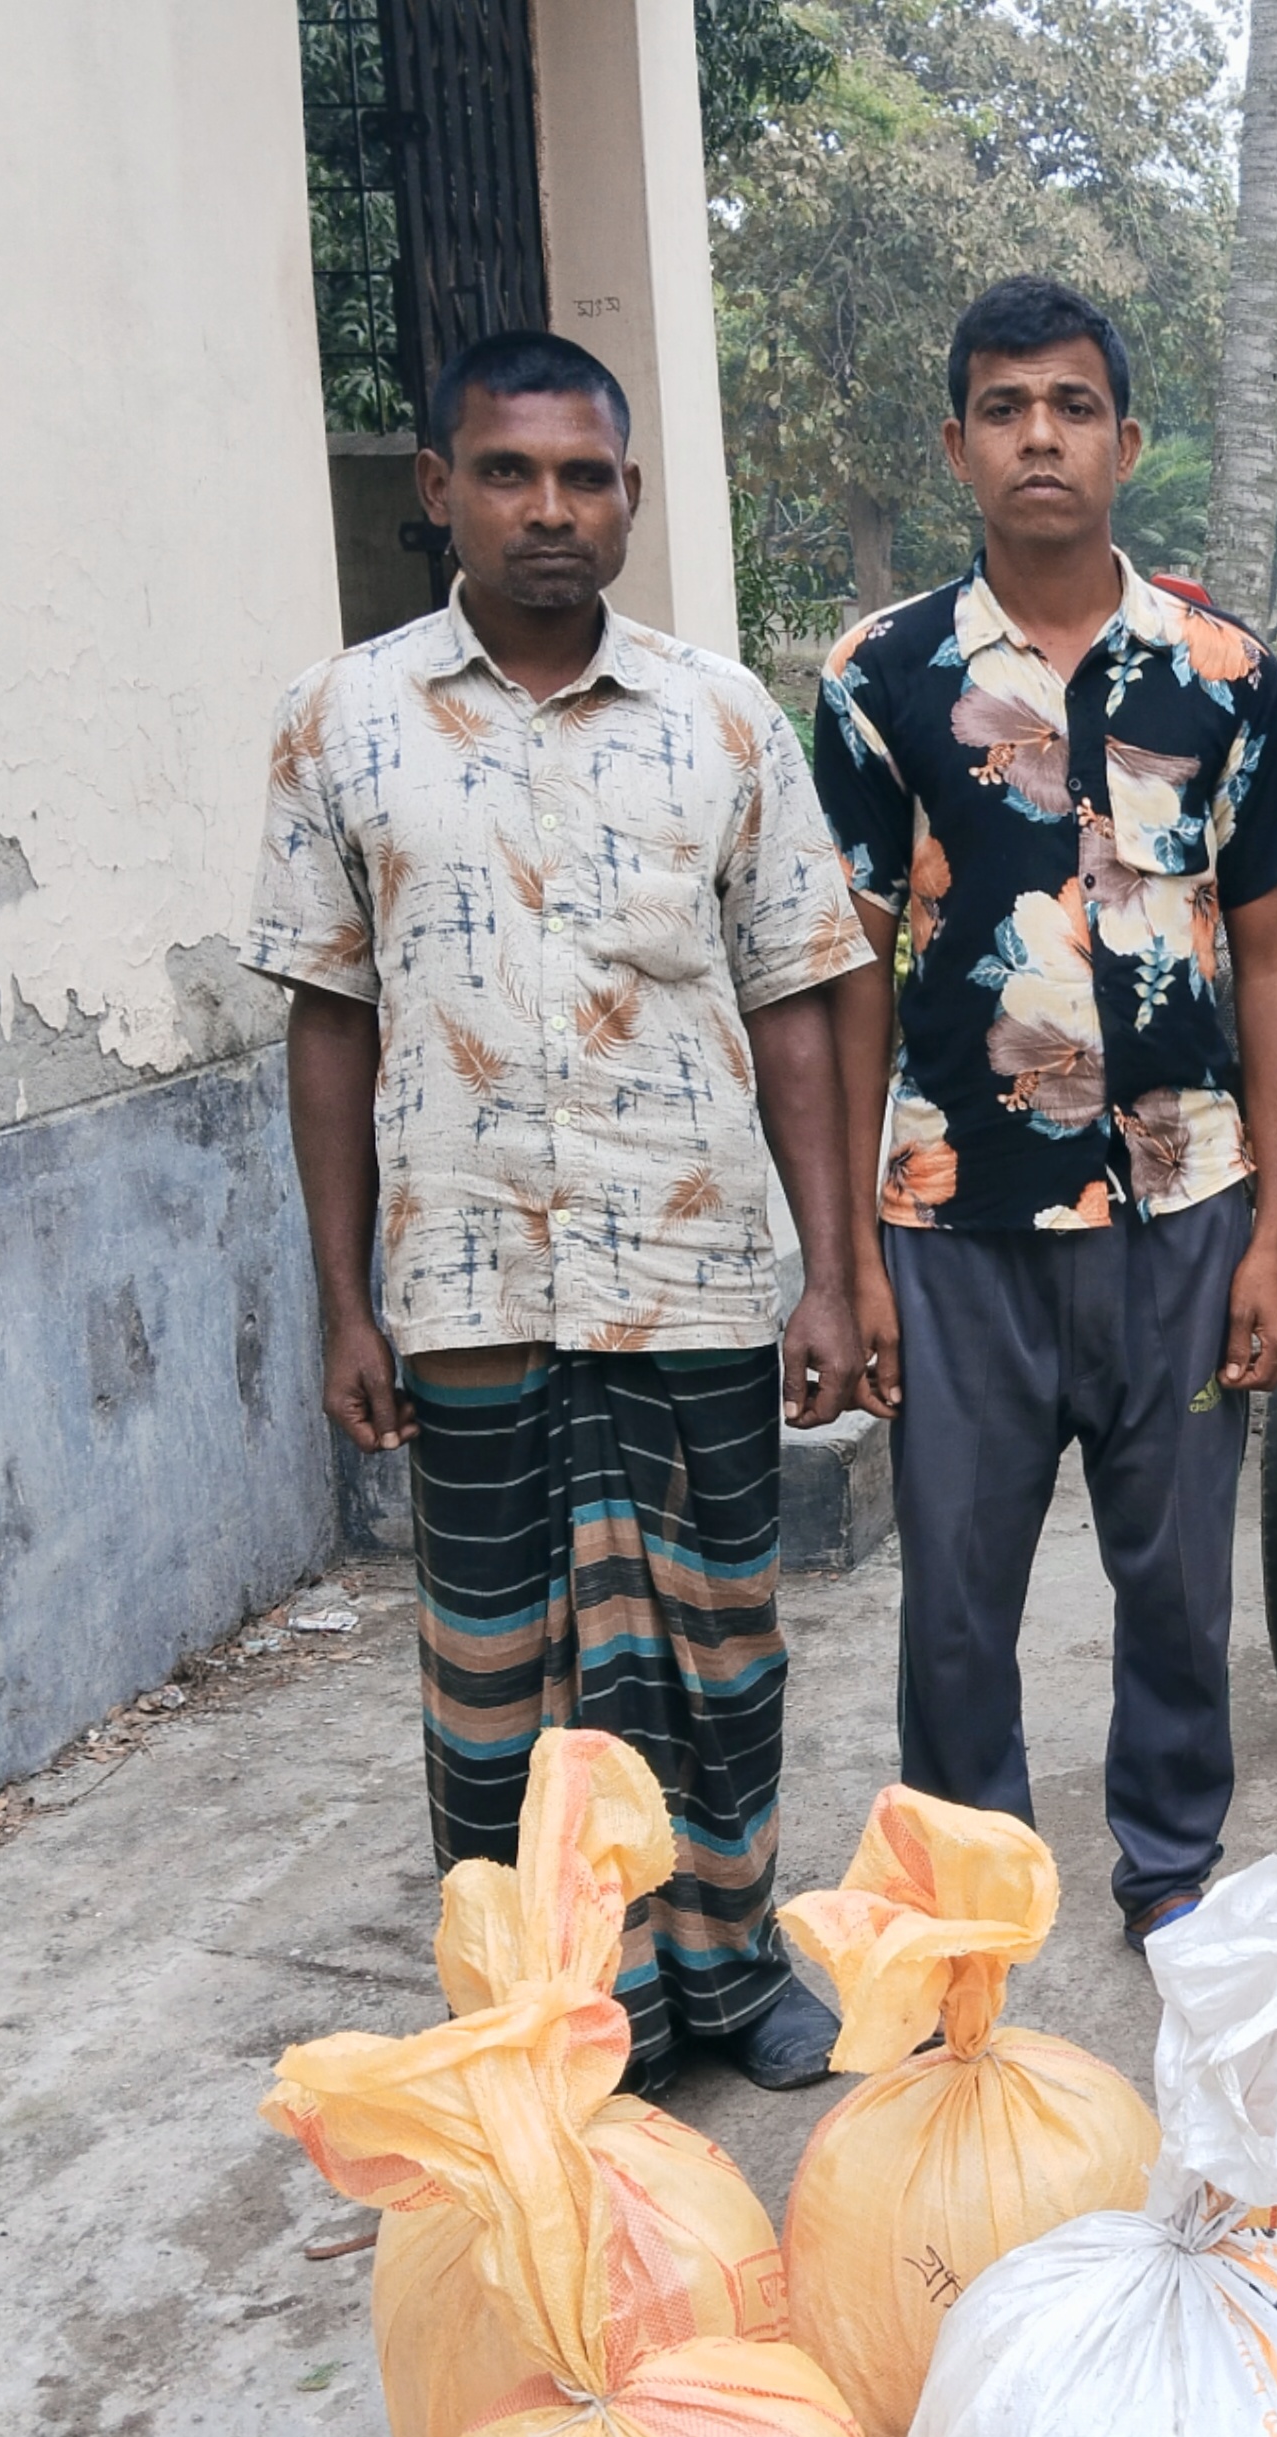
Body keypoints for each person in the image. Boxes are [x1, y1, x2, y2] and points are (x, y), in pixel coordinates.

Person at [250, 328, 870, 2091]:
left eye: (583, 476)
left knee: (716, 1650)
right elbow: (328, 1016)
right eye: (508, 472)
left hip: (687, 1268)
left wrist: (832, 1275)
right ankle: (536, 2000)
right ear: (438, 487)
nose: (548, 509)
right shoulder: (340, 719)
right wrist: (344, 1301)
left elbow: (797, 1000)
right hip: (465, 1278)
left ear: (630, 499)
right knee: (493, 1671)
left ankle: (730, 1972)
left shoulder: (722, 718)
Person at [810, 276, 1277, 1953]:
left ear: (1127, 440)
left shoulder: (1223, 674)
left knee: (1176, 1581)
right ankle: (972, 1892)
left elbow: (1270, 952)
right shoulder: (881, 675)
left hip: (1184, 1206)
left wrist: (1273, 1230)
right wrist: (851, 1256)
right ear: (956, 443)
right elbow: (851, 964)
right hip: (955, 1213)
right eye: (1006, 407)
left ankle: (1170, 1866)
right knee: (956, 1599)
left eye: (1074, 405)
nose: (1042, 435)